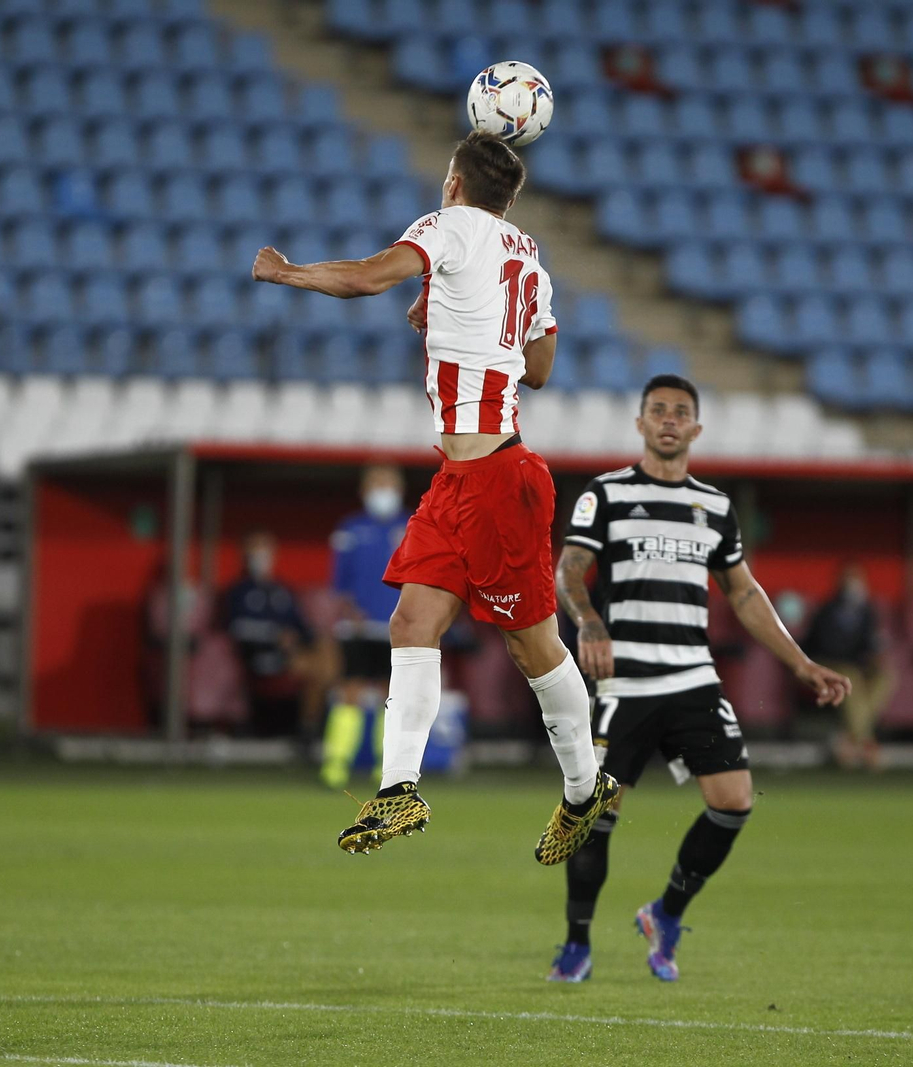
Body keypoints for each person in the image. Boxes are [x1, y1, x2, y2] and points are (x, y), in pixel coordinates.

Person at [252, 131, 618, 862]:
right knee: (411, 620)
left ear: (455, 183)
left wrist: (289, 273)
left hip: (500, 479)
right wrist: (453, 308)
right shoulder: (529, 257)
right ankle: (398, 788)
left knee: (533, 646)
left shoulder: (448, 226)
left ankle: (585, 788)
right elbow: (539, 366)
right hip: (457, 479)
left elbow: (365, 277)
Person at [549, 375, 852, 982]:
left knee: (735, 801)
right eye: (657, 410)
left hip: (692, 678)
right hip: (625, 682)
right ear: (639, 424)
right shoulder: (605, 495)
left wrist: (801, 662)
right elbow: (569, 572)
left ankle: (666, 914)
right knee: (594, 811)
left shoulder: (714, 507)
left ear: (695, 429)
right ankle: (577, 941)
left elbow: (743, 595)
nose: (668, 419)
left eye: (680, 412)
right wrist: (588, 624)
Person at [322, 464, 410, 788]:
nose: (382, 490)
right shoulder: (350, 528)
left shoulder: (412, 526)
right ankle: (335, 764)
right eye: (376, 483)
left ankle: (386, 771)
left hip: (397, 627)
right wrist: (350, 612)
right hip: (357, 627)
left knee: (393, 697)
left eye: (387, 482)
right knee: (350, 692)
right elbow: (339, 582)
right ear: (365, 490)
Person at [218, 530, 319, 738]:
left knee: (325, 655)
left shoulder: (282, 590)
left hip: (290, 653)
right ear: (245, 555)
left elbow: (302, 627)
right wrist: (274, 635)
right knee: (318, 667)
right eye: (255, 549)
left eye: (265, 549)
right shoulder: (239, 591)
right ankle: (307, 728)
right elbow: (236, 627)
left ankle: (310, 726)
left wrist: (302, 639)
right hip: (258, 654)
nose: (261, 556)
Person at [804, 561, 895, 771]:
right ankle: (867, 744)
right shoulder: (827, 609)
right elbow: (821, 646)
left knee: (885, 675)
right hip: (828, 665)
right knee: (850, 677)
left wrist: (873, 658)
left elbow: (870, 644)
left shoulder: (866, 612)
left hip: (856, 666)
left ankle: (851, 739)